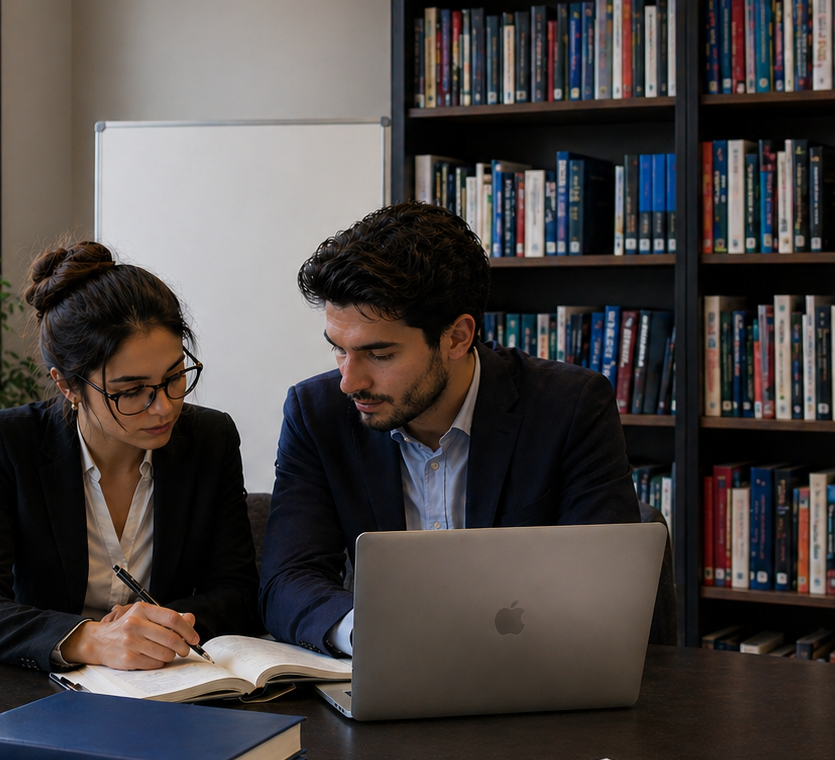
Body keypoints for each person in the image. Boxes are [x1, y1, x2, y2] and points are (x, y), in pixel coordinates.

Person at [259, 203, 640, 655]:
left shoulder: (570, 408)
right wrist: (369, 631)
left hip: (532, 675)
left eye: (379, 355)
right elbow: (287, 579)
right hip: (387, 682)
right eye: (338, 349)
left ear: (457, 337)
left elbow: (602, 584)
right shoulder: (317, 413)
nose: (350, 381)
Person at [0, 241, 262, 672]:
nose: (164, 406)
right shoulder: (2, 442)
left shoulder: (210, 437)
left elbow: (237, 592)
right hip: (41, 696)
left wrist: (150, 627)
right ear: (67, 386)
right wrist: (91, 639)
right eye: (131, 391)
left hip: (169, 686)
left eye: (174, 377)